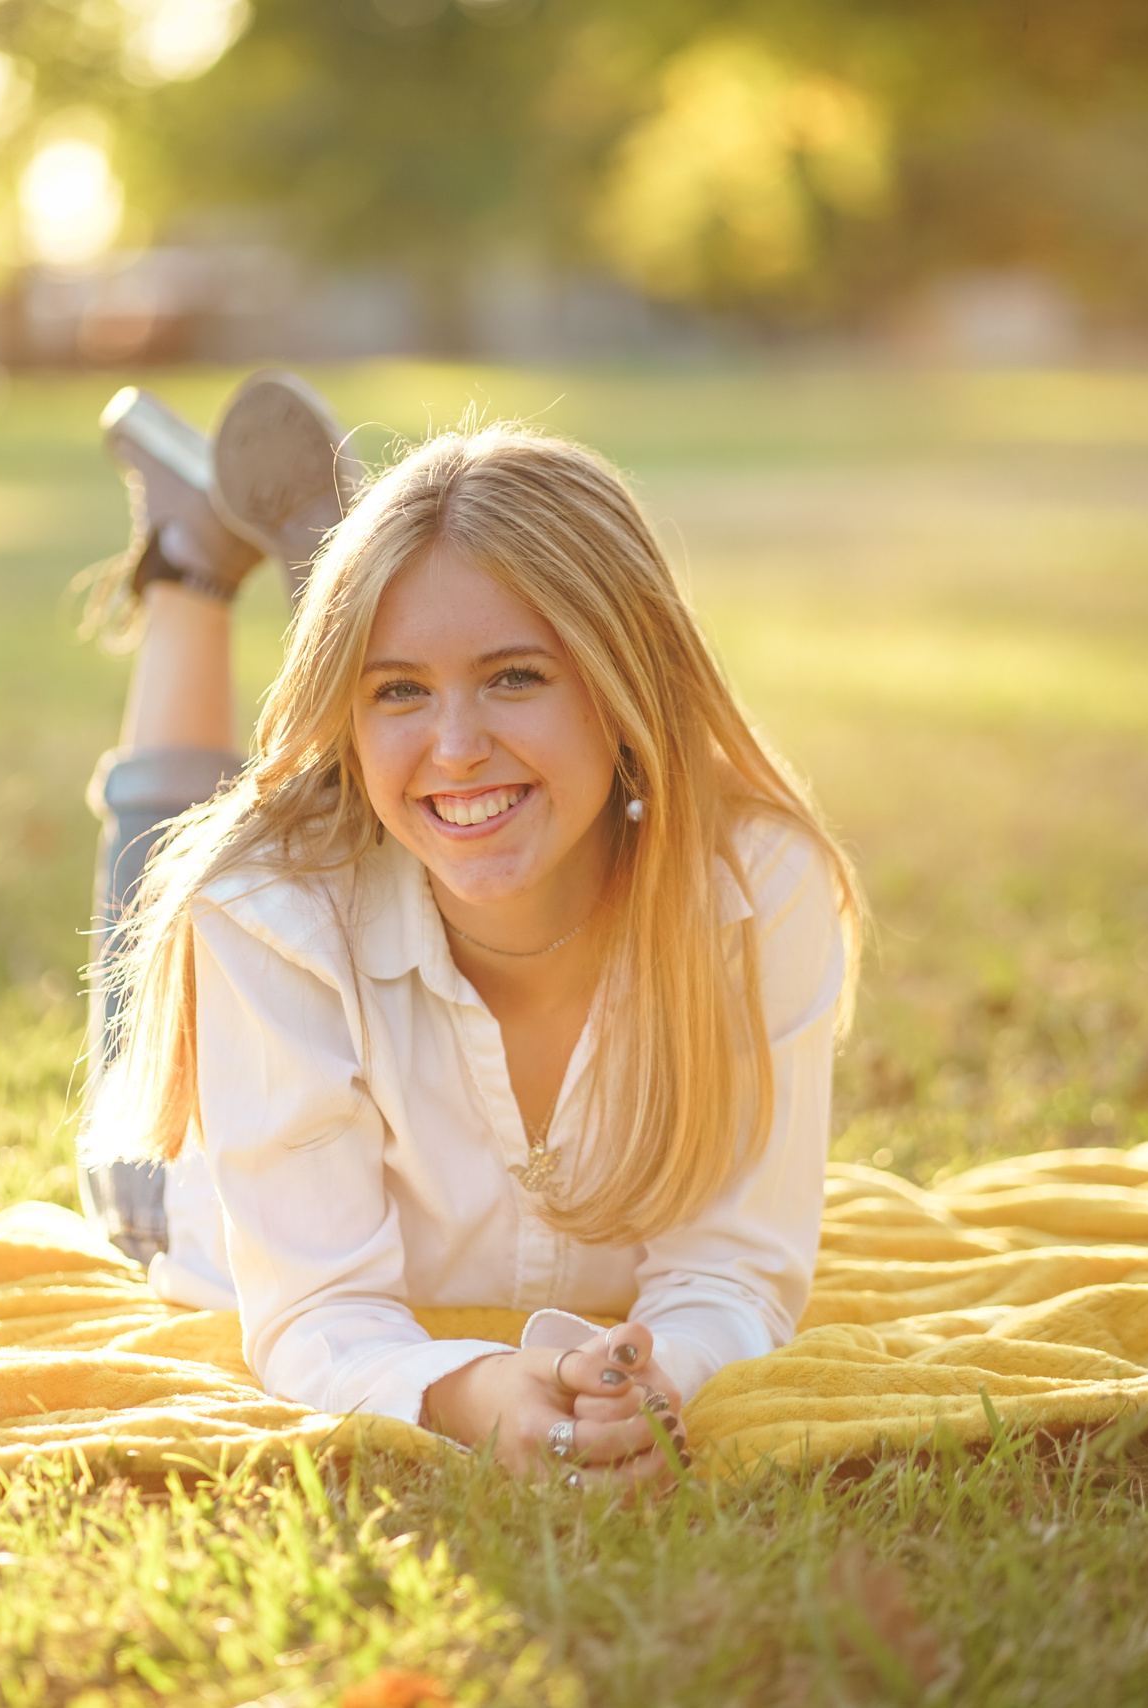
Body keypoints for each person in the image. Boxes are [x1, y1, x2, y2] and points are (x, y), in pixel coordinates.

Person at [76, 371, 861, 1490]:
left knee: (410, 778)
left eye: (515, 676)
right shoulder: (266, 918)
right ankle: (192, 564)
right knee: (185, 877)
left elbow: (732, 1271)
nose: (455, 746)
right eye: (397, 691)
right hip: (193, 1193)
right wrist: (471, 1392)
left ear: (625, 685)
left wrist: (654, 1378)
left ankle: (365, 584)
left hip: (391, 830)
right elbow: (317, 1313)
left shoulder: (756, 889)